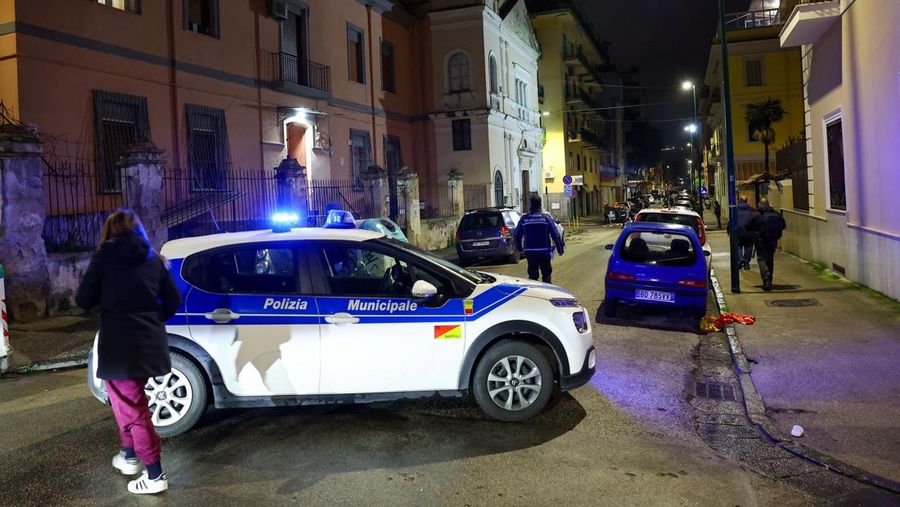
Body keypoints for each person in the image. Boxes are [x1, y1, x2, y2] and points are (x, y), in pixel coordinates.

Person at [76, 209, 181, 495]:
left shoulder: (104, 257)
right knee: (126, 402)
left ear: (109, 232)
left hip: (120, 345)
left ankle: (155, 474)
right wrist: (149, 315)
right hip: (150, 344)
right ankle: (129, 455)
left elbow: (83, 298)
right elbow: (173, 301)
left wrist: (107, 303)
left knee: (133, 409)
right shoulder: (154, 259)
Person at [514, 195, 564, 283]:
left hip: (530, 252)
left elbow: (517, 235)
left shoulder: (524, 219)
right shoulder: (546, 218)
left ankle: (536, 293)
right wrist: (560, 249)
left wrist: (520, 248)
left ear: (531, 205)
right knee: (546, 274)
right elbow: (555, 234)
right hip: (544, 251)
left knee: (532, 275)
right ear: (540, 204)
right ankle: (547, 291)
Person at [746, 198, 786, 291]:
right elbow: (783, 225)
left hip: (760, 240)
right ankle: (770, 278)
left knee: (762, 259)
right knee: (770, 259)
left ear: (759, 204)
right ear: (768, 204)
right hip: (773, 240)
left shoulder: (756, 215)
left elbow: (747, 226)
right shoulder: (776, 213)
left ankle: (766, 278)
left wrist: (755, 232)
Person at [732, 195, 757, 270]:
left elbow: (732, 221)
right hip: (749, 232)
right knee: (748, 247)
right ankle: (746, 263)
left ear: (739, 200)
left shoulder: (735, 210)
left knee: (738, 246)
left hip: (738, 231)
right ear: (746, 201)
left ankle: (740, 259)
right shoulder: (752, 210)